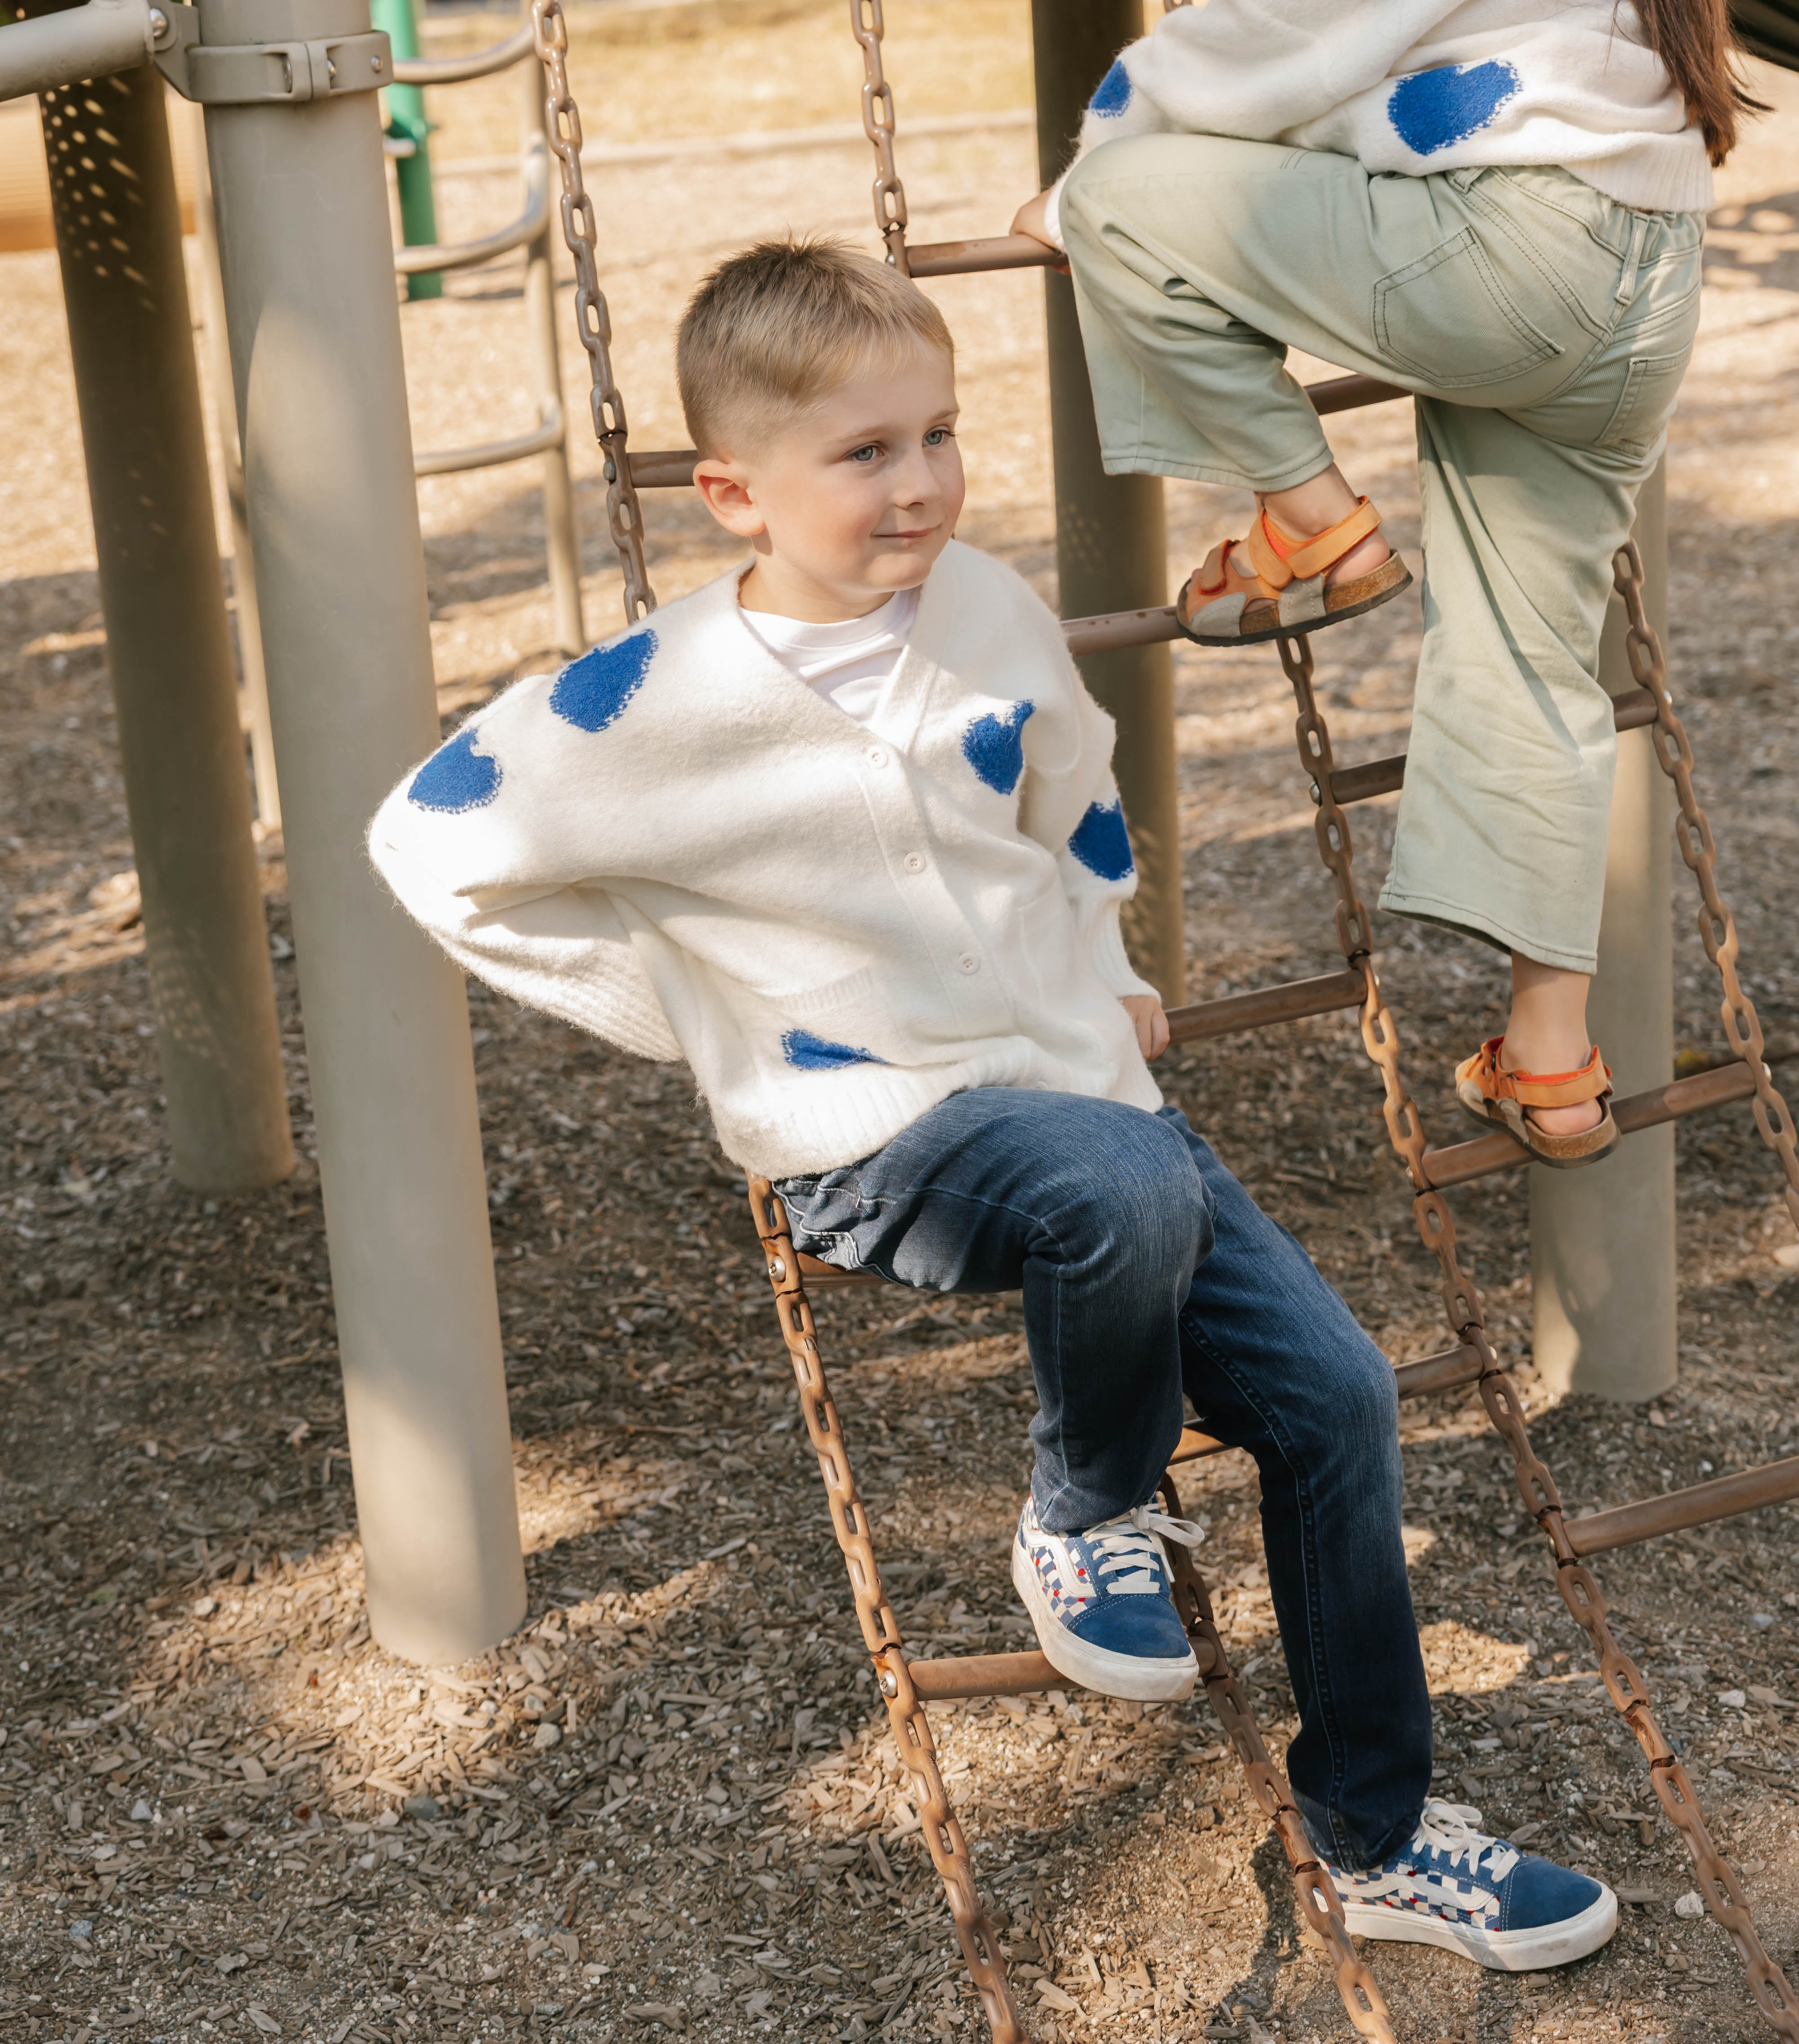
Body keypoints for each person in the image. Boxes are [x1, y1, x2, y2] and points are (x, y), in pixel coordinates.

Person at [369, 238, 1616, 1971]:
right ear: (734, 491)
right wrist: (694, 1014)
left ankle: (1381, 1840)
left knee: (1336, 1398)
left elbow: (1077, 799)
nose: (921, 486)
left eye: (939, 436)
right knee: (1120, 1187)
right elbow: (424, 843)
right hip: (876, 1139)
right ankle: (1085, 1504)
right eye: (865, 455)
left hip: (1076, 1096)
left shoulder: (985, 611)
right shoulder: (646, 707)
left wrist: (1097, 961)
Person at [1014, 0, 1735, 1170]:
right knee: (1531, 649)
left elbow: (1224, 71)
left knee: (1126, 203)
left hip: (1525, 257)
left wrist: (1080, 184)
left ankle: (1312, 523)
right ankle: (1551, 1055)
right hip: (1643, 269)